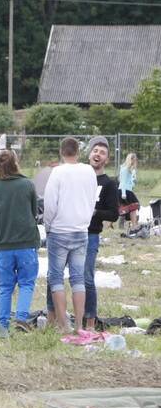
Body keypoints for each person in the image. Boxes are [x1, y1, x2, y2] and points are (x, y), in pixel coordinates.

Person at [43, 137, 96, 332]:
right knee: (78, 278)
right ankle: (80, 324)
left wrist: (48, 226)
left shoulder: (57, 173)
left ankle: (63, 323)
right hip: (81, 230)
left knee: (56, 278)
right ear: (78, 152)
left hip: (59, 231)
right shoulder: (89, 171)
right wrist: (85, 221)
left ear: (61, 152)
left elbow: (49, 204)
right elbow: (92, 199)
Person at [0, 149, 39, 331]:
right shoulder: (27, 185)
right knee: (26, 282)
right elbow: (33, 213)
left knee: (5, 285)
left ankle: (3, 323)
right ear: (16, 163)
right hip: (26, 242)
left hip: (2, 243)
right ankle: (22, 318)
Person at [82, 137, 119, 330]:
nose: (97, 154)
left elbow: (114, 214)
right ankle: (60, 317)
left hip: (91, 235)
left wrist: (94, 212)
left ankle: (90, 320)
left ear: (107, 159)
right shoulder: (79, 176)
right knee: (60, 277)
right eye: (95, 150)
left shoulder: (109, 184)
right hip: (71, 233)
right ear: (89, 154)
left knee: (87, 277)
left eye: (102, 152)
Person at [119, 153, 139, 229]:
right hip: (124, 191)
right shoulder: (125, 169)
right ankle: (134, 225)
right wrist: (123, 193)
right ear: (130, 160)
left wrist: (133, 180)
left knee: (124, 208)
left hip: (128, 190)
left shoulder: (131, 170)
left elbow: (130, 183)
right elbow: (123, 181)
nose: (135, 161)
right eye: (134, 159)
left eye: (135, 160)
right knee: (134, 206)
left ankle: (121, 225)